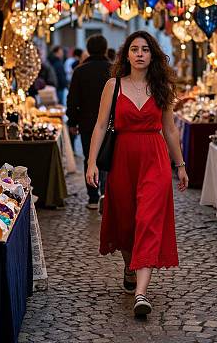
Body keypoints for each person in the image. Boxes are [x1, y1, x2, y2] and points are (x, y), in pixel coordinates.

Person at [86, 30, 188, 317]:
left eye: (145, 49)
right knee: (127, 222)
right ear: (126, 55)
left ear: (152, 54)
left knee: (148, 220)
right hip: (123, 159)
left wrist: (180, 166)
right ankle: (130, 268)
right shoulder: (113, 85)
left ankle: (141, 294)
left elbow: (169, 130)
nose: (140, 53)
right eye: (135, 49)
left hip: (154, 159)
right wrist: (91, 162)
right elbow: (99, 125)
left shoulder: (162, 87)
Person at [67, 35, 111, 210]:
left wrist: (72, 121)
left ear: (88, 49)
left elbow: (72, 99)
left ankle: (93, 198)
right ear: (105, 49)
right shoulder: (113, 69)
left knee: (89, 158)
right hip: (110, 122)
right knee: (108, 159)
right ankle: (106, 194)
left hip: (87, 122)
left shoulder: (80, 71)